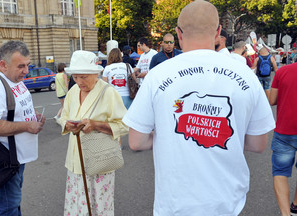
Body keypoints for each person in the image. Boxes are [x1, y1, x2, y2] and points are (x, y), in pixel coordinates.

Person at [122, 1, 275, 215]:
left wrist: (169, 132)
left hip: (174, 204)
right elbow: (258, 144)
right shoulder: (245, 75)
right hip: (226, 203)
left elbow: (136, 142)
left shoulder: (158, 76)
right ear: (218, 32)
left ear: (178, 33)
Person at [0, 40, 46, 216]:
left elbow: (15, 103)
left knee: (13, 202)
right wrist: (28, 125)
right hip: (5, 159)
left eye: (28, 65)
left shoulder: (12, 76)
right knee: (9, 208)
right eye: (21, 66)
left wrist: (32, 112)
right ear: (3, 65)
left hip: (17, 156)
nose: (26, 71)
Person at [57, 50, 128, 216]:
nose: (79, 82)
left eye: (84, 77)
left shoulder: (108, 92)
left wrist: (96, 125)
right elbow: (63, 116)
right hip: (75, 161)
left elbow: (125, 125)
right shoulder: (73, 92)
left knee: (99, 206)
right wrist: (67, 124)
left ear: (96, 74)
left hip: (99, 160)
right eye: (75, 77)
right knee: (77, 206)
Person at [269, 62, 297, 216]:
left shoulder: (282, 72)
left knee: (280, 172)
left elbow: (272, 100)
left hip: (285, 130)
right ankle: (296, 205)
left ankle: (285, 214)